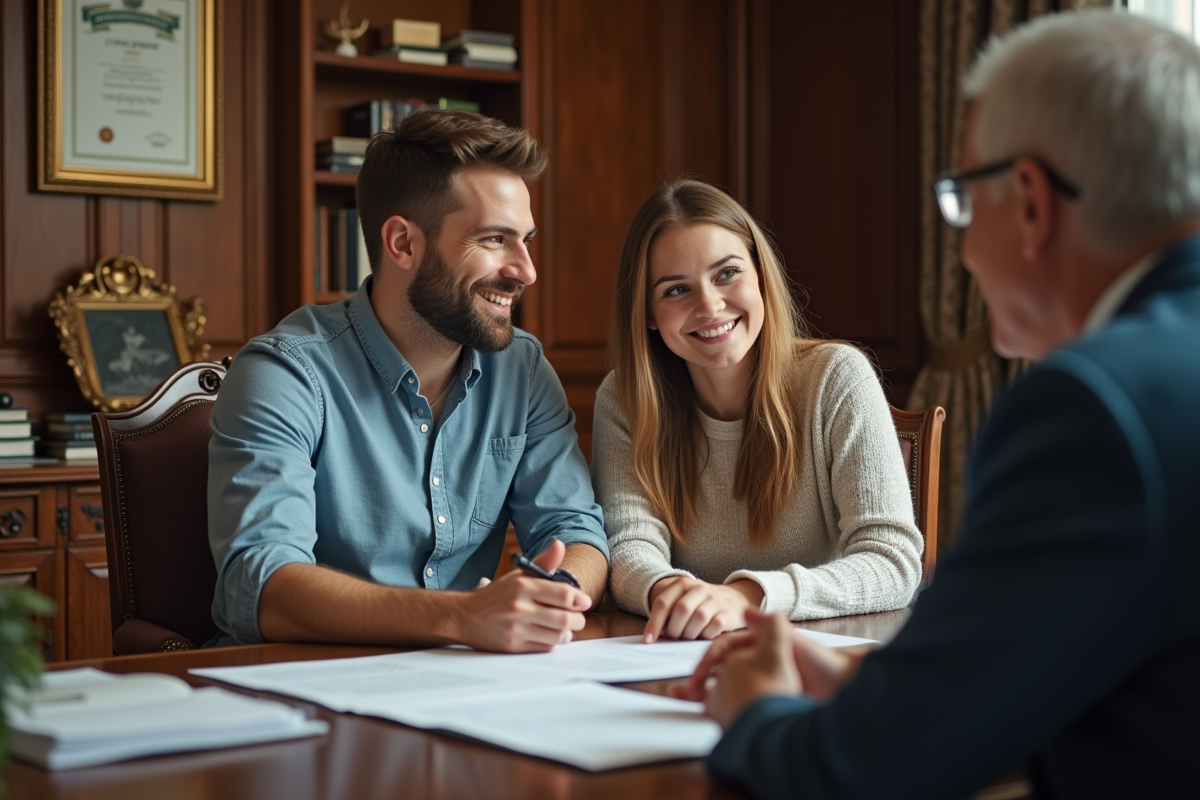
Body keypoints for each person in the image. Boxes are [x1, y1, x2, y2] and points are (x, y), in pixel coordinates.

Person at [681, 11, 1200, 799]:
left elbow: (860, 774)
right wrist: (883, 690)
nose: (959, 246)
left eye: (962, 200)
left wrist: (755, 710)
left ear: (1030, 203)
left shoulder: (1094, 410)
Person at [208, 111, 609, 652]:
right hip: (305, 680)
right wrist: (462, 617)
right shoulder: (284, 373)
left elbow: (576, 531)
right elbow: (262, 584)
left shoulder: (524, 370)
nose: (526, 271)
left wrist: (553, 597)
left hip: (467, 676)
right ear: (402, 243)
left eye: (526, 241)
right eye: (495, 239)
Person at [592, 179, 923, 644]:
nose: (710, 305)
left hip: (818, 655)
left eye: (727, 273)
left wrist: (747, 597)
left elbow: (892, 562)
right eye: (676, 290)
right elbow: (629, 547)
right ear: (647, 312)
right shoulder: (624, 399)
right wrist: (670, 593)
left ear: (760, 277)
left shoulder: (838, 377)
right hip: (684, 650)